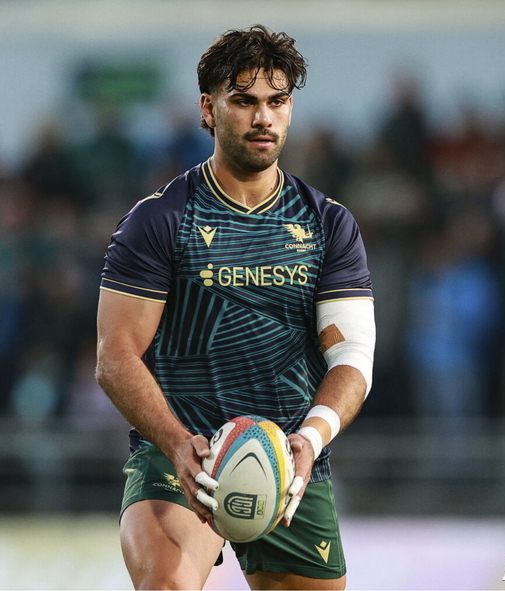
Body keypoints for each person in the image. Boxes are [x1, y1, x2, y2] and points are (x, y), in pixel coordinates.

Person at [95, 25, 375, 591]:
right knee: (167, 583)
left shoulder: (328, 223)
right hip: (184, 453)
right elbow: (115, 356)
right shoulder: (159, 221)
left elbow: (353, 353)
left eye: (277, 102)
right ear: (209, 108)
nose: (263, 118)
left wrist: (310, 439)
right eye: (244, 101)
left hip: (290, 461)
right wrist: (176, 443)